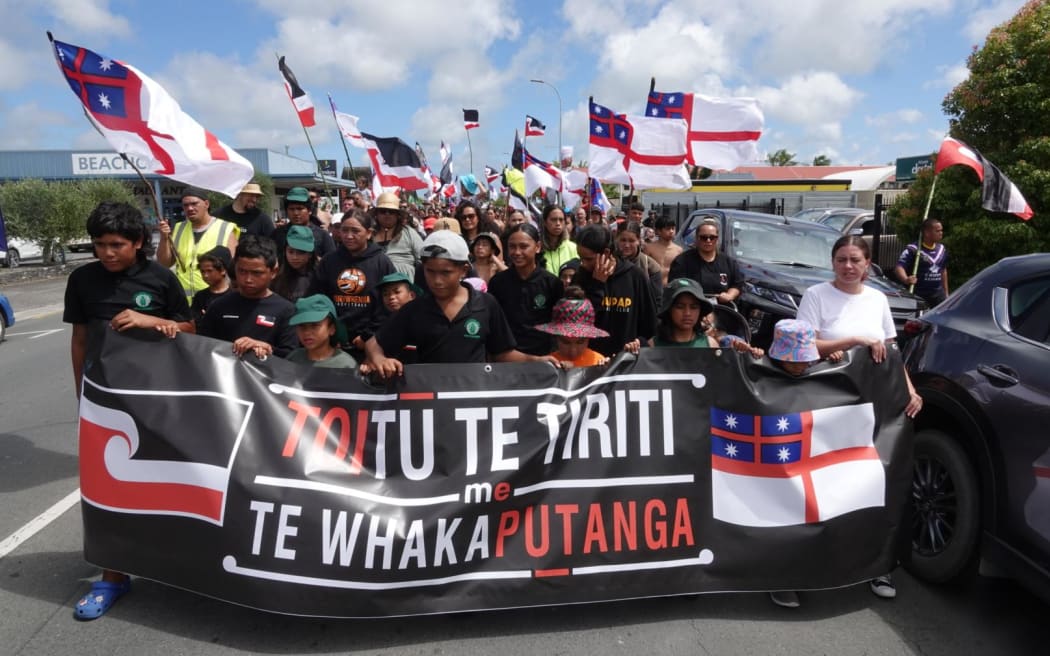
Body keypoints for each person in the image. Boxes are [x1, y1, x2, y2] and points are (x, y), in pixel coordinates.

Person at [64, 201, 194, 620]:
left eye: (117, 244)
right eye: (100, 245)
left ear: (138, 242)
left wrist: (147, 320)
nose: (107, 252)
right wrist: (81, 392)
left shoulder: (160, 278)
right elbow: (80, 339)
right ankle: (112, 577)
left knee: (165, 484)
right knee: (108, 491)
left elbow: (189, 329)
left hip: (156, 400)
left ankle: (181, 564)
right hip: (104, 405)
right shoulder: (82, 280)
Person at [796, 235, 923, 601]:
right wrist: (849, 342)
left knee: (870, 486)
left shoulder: (878, 299)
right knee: (821, 487)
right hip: (827, 403)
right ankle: (803, 568)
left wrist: (909, 389)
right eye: (841, 259)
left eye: (855, 259)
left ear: (868, 263)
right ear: (832, 262)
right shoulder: (816, 295)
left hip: (873, 407)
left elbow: (893, 350)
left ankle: (876, 567)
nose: (848, 266)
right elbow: (805, 345)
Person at [363, 230, 560, 375]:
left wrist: (536, 360)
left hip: (474, 404)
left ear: (464, 270)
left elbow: (502, 353)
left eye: (446, 272)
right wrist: (380, 360)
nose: (437, 280)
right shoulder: (415, 310)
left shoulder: (486, 304)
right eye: (430, 271)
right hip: (429, 405)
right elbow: (374, 344)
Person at [763, 318, 824, 609]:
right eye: (796, 360)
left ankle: (797, 577)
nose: (802, 365)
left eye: (806, 360)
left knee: (805, 517)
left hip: (803, 462)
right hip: (771, 464)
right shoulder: (758, 372)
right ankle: (778, 579)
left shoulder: (820, 376)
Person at [308, 210, 395, 359]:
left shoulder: (382, 262)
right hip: (333, 343)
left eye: (355, 231)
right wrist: (329, 333)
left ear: (369, 233)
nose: (349, 236)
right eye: (344, 230)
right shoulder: (329, 261)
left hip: (370, 346)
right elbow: (317, 298)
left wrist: (369, 336)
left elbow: (389, 305)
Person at [197, 235, 298, 358]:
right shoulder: (219, 306)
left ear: (273, 272)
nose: (248, 279)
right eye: (242, 271)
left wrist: (267, 349)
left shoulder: (286, 311)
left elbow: (292, 358)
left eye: (256, 273)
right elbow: (202, 348)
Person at [571, 223, 657, 357]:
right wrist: (597, 285)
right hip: (589, 362)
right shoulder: (580, 277)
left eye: (588, 259)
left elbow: (650, 326)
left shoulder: (635, 276)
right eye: (580, 258)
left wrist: (637, 343)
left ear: (606, 252)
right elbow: (576, 322)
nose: (583, 263)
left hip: (626, 363)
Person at [488, 223, 564, 356]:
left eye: (523, 246)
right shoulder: (497, 283)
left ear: (538, 247)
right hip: (508, 358)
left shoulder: (552, 283)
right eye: (512, 247)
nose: (517, 252)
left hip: (544, 358)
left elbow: (559, 324)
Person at [157, 188, 240, 302]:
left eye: (194, 203)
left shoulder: (225, 228)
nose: (190, 208)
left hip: (215, 300)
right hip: (184, 301)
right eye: (186, 205)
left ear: (206, 204)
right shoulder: (179, 228)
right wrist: (164, 238)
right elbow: (165, 263)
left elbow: (234, 268)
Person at [668, 217, 743, 306]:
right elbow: (676, 286)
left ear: (717, 238)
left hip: (722, 311)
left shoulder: (729, 262)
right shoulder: (682, 261)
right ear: (696, 238)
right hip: (693, 311)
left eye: (712, 237)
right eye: (704, 237)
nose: (708, 241)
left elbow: (737, 284)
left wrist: (729, 295)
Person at [534, 287, 610, 367]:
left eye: (580, 342)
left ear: (589, 338)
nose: (573, 351)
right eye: (565, 342)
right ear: (556, 337)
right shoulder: (549, 364)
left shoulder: (598, 361)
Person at [285, 294, 357, 369]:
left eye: (314, 325)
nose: (307, 332)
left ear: (331, 329)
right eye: (302, 326)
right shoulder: (294, 358)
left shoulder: (346, 365)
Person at [894, 218, 949, 307]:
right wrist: (906, 279)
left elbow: (943, 270)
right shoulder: (913, 249)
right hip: (919, 295)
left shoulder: (942, 249)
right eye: (937, 231)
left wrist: (946, 293)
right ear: (927, 233)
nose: (941, 233)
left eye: (941, 230)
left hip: (938, 295)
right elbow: (899, 267)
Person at [272, 187, 336, 261]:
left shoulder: (322, 236)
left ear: (309, 211)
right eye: (291, 209)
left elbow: (332, 262)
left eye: (300, 209)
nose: (296, 213)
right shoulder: (277, 234)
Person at [653, 278, 718, 348]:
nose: (687, 313)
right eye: (680, 307)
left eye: (693, 307)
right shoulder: (653, 345)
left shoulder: (710, 345)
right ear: (669, 309)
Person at [372, 192, 423, 277]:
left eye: (391, 211)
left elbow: (422, 258)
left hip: (404, 283)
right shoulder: (369, 234)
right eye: (383, 211)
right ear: (376, 214)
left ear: (397, 215)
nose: (387, 214)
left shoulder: (408, 232)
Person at [615, 221, 663, 304]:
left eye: (631, 241)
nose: (627, 245)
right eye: (623, 240)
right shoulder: (607, 264)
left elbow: (656, 301)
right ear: (616, 239)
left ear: (639, 241)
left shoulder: (651, 267)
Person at [271, 225, 317, 303]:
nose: (294, 257)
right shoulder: (276, 276)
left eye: (300, 252)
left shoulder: (320, 275)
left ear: (310, 254)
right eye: (290, 251)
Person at [190, 245, 232, 325]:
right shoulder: (200, 296)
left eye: (209, 271)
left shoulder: (233, 295)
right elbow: (193, 321)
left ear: (223, 270)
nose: (205, 275)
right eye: (203, 271)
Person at [540, 204, 578, 276]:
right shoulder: (537, 249)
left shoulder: (573, 248)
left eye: (561, 220)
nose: (558, 223)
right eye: (553, 220)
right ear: (545, 222)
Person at [646, 215, 683, 286]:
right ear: (658, 231)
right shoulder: (649, 248)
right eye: (668, 229)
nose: (671, 231)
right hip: (653, 288)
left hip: (672, 288)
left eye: (673, 228)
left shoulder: (678, 250)